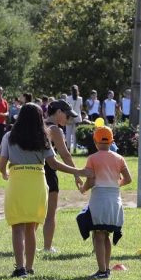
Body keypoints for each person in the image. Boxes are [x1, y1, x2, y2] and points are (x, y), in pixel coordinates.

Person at [0, 104, 89, 277]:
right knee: (31, 227)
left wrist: (5, 173)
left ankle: (20, 268)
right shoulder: (43, 138)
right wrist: (78, 171)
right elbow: (53, 164)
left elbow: (2, 164)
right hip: (37, 181)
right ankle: (30, 267)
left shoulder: (9, 137)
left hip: (17, 181)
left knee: (17, 227)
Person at [78, 126, 131, 279]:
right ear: (112, 141)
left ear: (95, 141)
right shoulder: (119, 158)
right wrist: (115, 185)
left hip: (99, 198)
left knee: (98, 235)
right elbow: (128, 179)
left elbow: (91, 180)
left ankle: (102, 271)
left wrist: (83, 189)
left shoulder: (92, 158)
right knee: (106, 234)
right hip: (115, 198)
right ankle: (106, 269)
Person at [41, 101, 83, 253]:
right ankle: (47, 247)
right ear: (58, 112)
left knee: (33, 214)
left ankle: (28, 245)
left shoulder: (38, 125)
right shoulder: (55, 130)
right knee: (50, 213)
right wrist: (76, 174)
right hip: (49, 173)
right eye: (67, 115)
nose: (68, 119)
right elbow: (65, 154)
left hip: (35, 171)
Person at [64, 86, 83, 152]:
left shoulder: (68, 98)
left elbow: (66, 108)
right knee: (75, 134)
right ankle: (74, 148)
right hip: (77, 117)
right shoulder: (80, 98)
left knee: (68, 134)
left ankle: (68, 148)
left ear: (71, 90)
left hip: (69, 117)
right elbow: (80, 108)